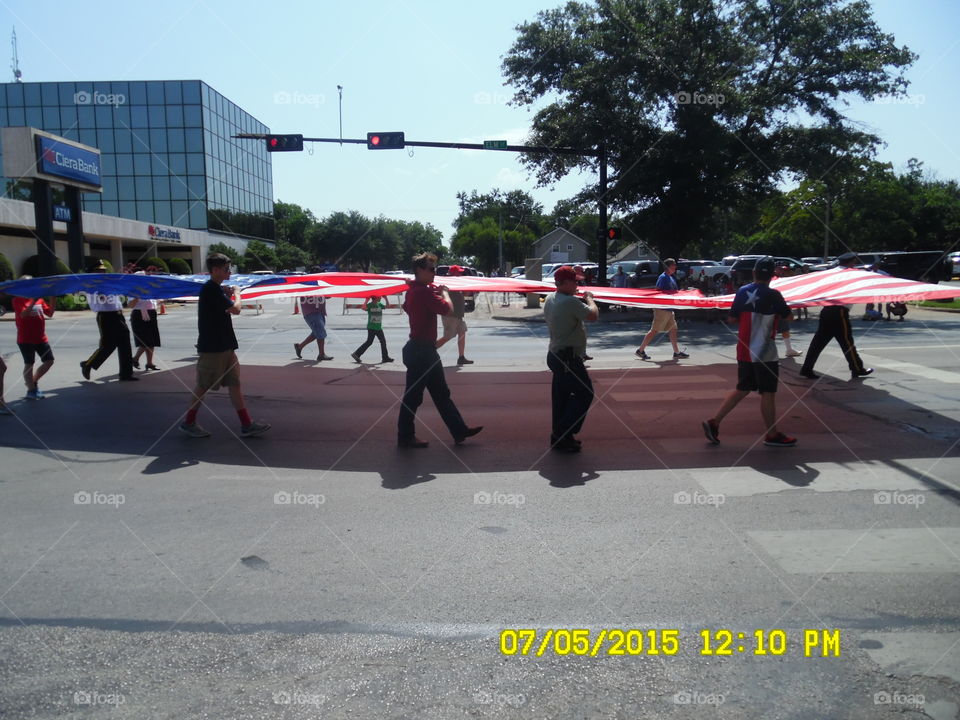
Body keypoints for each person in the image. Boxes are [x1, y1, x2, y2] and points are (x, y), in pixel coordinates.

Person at [702, 257, 797, 448]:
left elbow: (732, 319)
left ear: (753, 273)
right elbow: (789, 317)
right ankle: (772, 434)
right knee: (768, 392)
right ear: (772, 275)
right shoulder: (774, 295)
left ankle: (715, 421)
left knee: (743, 388)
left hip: (744, 350)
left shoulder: (742, 292)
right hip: (765, 352)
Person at [179, 253, 270, 438]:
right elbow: (236, 309)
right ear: (215, 270)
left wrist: (228, 294)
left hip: (226, 346)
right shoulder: (210, 289)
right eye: (226, 269)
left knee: (235, 384)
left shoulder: (216, 289)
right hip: (213, 347)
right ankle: (188, 422)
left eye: (230, 268)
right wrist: (237, 294)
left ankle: (246, 424)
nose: (229, 272)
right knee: (203, 385)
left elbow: (225, 307)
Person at [396, 252, 482, 449]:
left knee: (441, 393)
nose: (435, 272)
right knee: (413, 397)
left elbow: (408, 308)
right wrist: (444, 293)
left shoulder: (414, 291)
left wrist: (427, 290)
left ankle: (459, 430)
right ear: (419, 270)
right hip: (422, 351)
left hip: (423, 350)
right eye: (431, 269)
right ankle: (405, 436)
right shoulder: (422, 292)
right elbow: (448, 309)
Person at [544, 266, 598, 452]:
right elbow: (593, 315)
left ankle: (560, 437)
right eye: (575, 281)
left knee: (562, 398)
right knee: (585, 393)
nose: (577, 284)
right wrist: (590, 299)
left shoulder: (551, 298)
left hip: (556, 355)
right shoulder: (569, 302)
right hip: (567, 358)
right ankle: (562, 432)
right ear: (565, 283)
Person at [799, 252, 873, 380]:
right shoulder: (851, 274)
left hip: (827, 310)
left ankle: (807, 368)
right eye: (854, 262)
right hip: (839, 311)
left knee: (818, 342)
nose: (855, 264)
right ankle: (857, 368)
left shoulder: (832, 273)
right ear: (850, 263)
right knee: (847, 342)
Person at [80, 261, 137, 382]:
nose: (103, 272)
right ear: (92, 273)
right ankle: (88, 364)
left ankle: (126, 374)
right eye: (99, 271)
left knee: (125, 345)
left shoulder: (108, 282)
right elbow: (102, 299)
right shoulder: (92, 285)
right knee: (107, 346)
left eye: (103, 270)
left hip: (118, 315)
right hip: (106, 317)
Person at [635, 259, 689, 360]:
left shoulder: (670, 277)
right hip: (662, 309)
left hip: (669, 309)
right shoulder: (663, 277)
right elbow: (658, 291)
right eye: (674, 265)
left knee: (673, 329)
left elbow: (673, 291)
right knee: (654, 330)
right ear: (668, 266)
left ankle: (676, 352)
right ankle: (640, 350)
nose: (675, 267)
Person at [13, 282, 55, 399]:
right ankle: (31, 390)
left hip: (41, 337)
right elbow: (23, 315)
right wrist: (33, 301)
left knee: (49, 361)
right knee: (29, 363)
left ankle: (33, 382)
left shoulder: (40, 299)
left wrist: (52, 298)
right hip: (25, 338)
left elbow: (50, 313)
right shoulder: (17, 300)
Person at [435, 265, 473, 366]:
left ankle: (461, 357)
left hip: (458, 315)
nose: (461, 274)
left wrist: (466, 285)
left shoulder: (457, 283)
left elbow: (467, 293)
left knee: (462, 332)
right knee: (448, 336)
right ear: (453, 273)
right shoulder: (447, 283)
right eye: (459, 272)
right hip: (450, 315)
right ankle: (429, 351)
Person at [130, 273, 161, 370]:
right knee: (144, 341)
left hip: (151, 313)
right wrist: (138, 295)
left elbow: (154, 301)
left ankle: (149, 363)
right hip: (139, 314)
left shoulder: (150, 288)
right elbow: (131, 305)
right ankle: (135, 358)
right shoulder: (133, 289)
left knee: (152, 340)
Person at [351, 295, 393, 363]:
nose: (380, 298)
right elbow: (363, 308)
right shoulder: (370, 305)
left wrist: (386, 298)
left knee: (382, 342)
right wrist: (366, 300)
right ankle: (356, 354)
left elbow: (388, 306)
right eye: (379, 297)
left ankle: (385, 357)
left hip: (379, 327)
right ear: (375, 298)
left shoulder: (380, 304)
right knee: (369, 342)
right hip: (372, 327)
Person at [293, 294, 332, 361]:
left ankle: (300, 347)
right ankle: (321, 354)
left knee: (316, 332)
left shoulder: (320, 285)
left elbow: (327, 296)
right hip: (311, 311)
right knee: (320, 332)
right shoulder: (305, 285)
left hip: (320, 311)